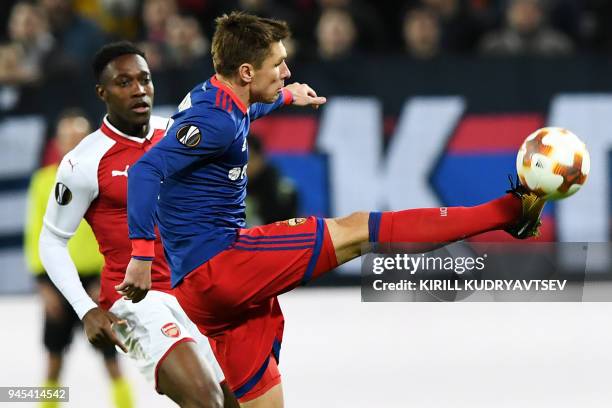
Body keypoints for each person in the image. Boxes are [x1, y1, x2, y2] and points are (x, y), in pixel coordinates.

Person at [123, 12, 546, 407]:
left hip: (204, 289)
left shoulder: (217, 95)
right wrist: (141, 256)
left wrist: (285, 96)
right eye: (279, 65)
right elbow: (145, 170)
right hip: (222, 264)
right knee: (361, 229)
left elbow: (244, 110)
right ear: (248, 72)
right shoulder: (212, 120)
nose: (287, 71)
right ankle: (508, 212)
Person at [38, 41, 238, 408]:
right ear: (103, 92)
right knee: (205, 400)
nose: (138, 90)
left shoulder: (177, 134)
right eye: (124, 82)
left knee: (236, 404)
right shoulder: (82, 163)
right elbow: (51, 241)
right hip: (137, 301)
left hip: (196, 293)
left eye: (144, 80)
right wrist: (85, 309)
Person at [25, 109, 134, 408]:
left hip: (97, 281)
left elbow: (117, 232)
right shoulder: (42, 182)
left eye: (79, 137)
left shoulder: (104, 177)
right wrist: (43, 285)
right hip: (57, 282)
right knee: (54, 358)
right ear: (57, 143)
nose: (73, 143)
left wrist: (107, 279)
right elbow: (35, 234)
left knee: (112, 357)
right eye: (67, 138)